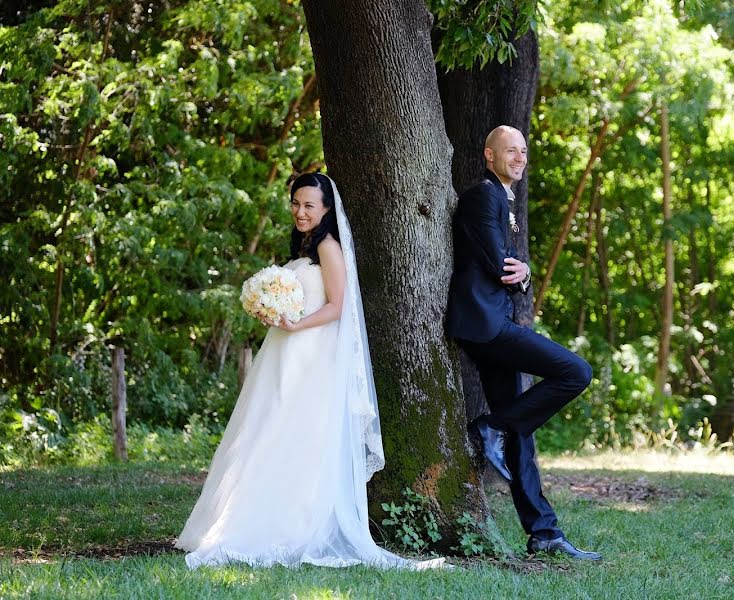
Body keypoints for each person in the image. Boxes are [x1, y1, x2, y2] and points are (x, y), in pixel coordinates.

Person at [176, 173, 443, 570]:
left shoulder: (330, 247)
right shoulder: (304, 247)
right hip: (285, 350)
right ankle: (239, 518)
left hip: (311, 352)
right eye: (296, 204)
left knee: (294, 433)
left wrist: (297, 324)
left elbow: (338, 306)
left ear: (326, 209)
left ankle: (290, 525)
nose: (301, 212)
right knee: (263, 430)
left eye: (309, 206)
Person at [446, 126, 602, 561]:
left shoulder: (504, 199)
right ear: (489, 155)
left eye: (523, 150)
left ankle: (543, 532)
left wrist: (526, 271)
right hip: (487, 325)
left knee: (522, 430)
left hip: (490, 322)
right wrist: (519, 272)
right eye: (509, 150)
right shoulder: (484, 196)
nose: (518, 156)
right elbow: (502, 267)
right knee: (576, 371)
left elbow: (516, 270)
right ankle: (490, 427)